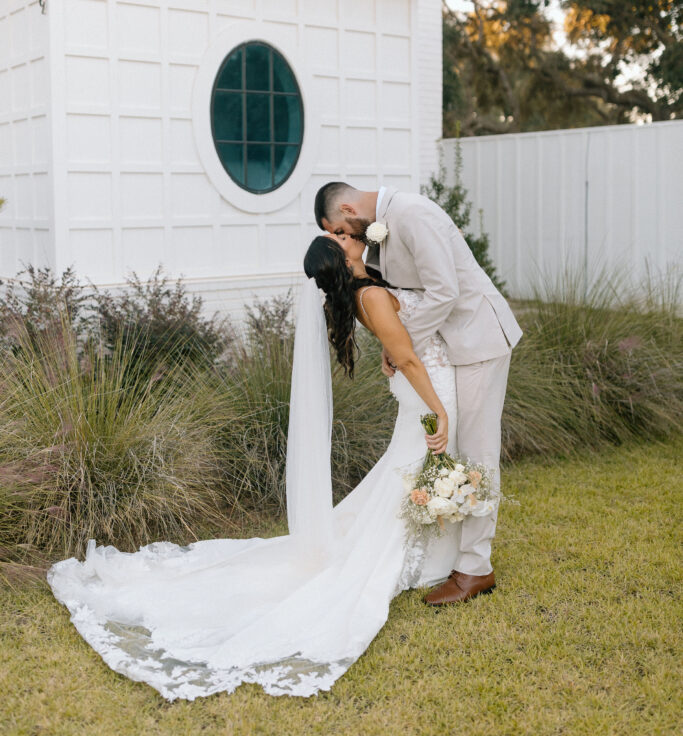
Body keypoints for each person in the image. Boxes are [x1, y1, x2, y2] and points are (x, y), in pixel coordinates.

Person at [47, 232, 458, 701]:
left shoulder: (367, 289)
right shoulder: (371, 295)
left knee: (408, 467)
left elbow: (401, 344)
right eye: (341, 238)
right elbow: (404, 354)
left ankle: (433, 547)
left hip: (426, 386)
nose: (349, 238)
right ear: (340, 261)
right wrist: (438, 409)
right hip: (429, 392)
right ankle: (420, 554)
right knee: (413, 463)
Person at [315, 181, 522, 606]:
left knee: (479, 452)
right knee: (458, 449)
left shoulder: (411, 213)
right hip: (450, 348)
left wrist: (401, 344)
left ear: (348, 208)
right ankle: (458, 557)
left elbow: (445, 291)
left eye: (338, 230)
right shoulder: (380, 230)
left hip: (478, 339)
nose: (343, 239)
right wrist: (397, 346)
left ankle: (474, 570)